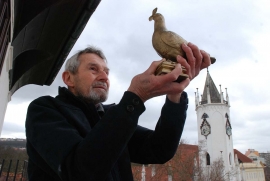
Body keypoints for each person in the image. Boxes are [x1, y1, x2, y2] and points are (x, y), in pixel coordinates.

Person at [25, 42, 211, 181]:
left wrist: (174, 95)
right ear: (68, 78)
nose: (104, 77)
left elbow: (159, 149)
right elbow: (80, 171)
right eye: (93, 69)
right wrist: (136, 95)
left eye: (107, 72)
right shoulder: (45, 110)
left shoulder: (109, 116)